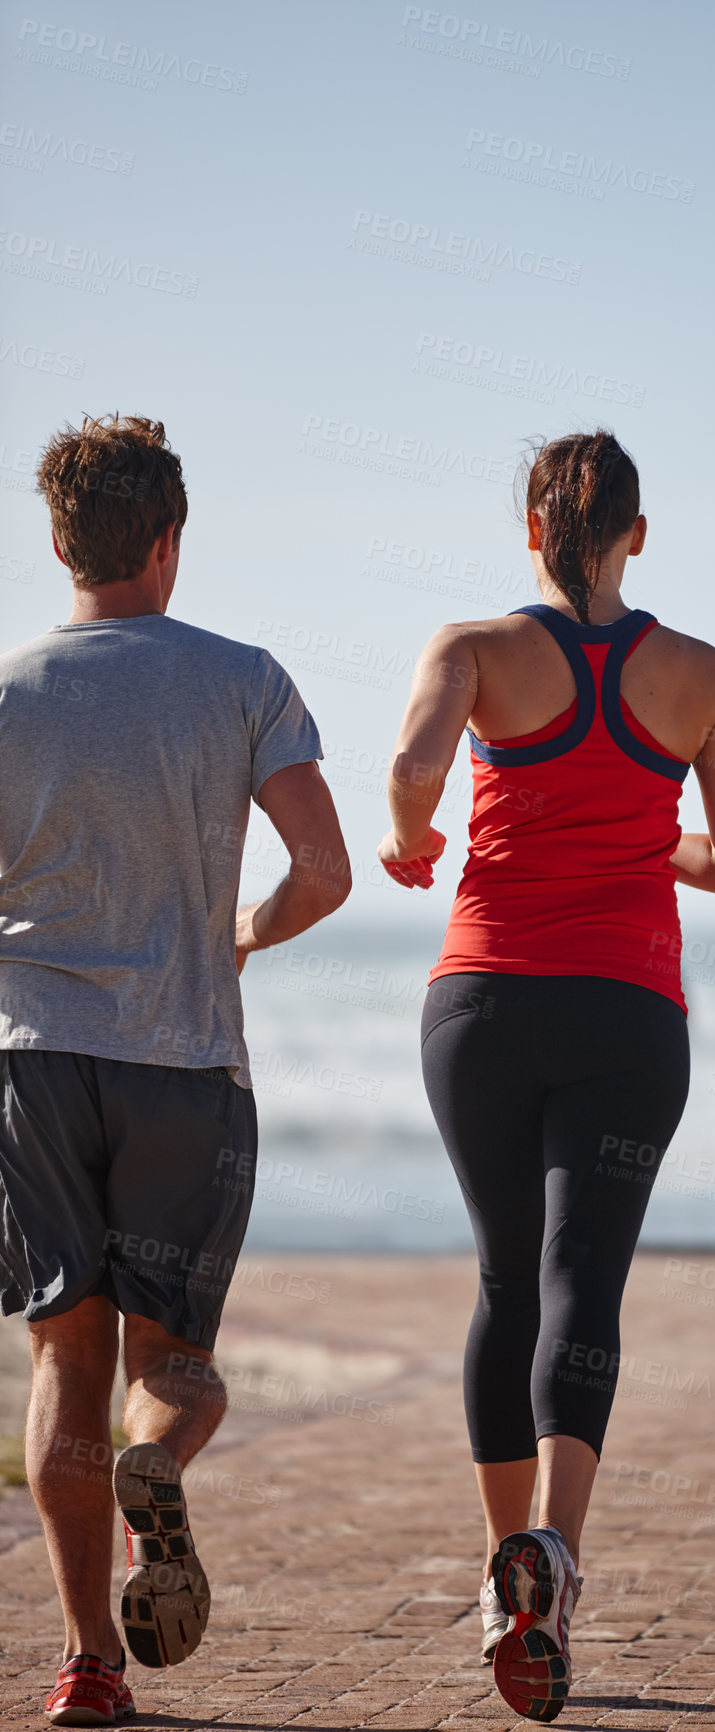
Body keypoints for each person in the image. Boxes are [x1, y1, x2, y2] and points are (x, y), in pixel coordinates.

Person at [378, 429, 715, 1721]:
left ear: (528, 527)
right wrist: (645, 841)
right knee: (579, 1283)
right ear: (637, 535)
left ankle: (504, 1588)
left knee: (502, 1279)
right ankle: (557, 1555)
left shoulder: (472, 650)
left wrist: (410, 833)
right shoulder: (699, 673)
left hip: (481, 1007)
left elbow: (413, 771)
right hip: (626, 1016)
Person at [0, 415, 351, 1726]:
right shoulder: (242, 680)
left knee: (60, 1362)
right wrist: (241, 935)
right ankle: (159, 1460)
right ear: (169, 542)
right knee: (172, 1362)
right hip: (184, 1063)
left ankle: (89, 1662)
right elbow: (323, 871)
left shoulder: (8, 687)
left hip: (32, 1062)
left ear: (57, 541)